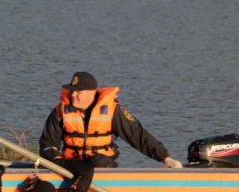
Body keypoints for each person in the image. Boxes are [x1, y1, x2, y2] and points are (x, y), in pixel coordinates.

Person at [39, 71, 183, 170]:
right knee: (49, 162)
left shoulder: (112, 111)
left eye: (79, 92)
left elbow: (137, 135)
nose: (73, 95)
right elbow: (47, 143)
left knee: (98, 161)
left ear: (91, 93)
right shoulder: (60, 111)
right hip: (72, 165)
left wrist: (165, 158)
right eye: (72, 91)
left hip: (101, 163)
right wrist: (56, 159)